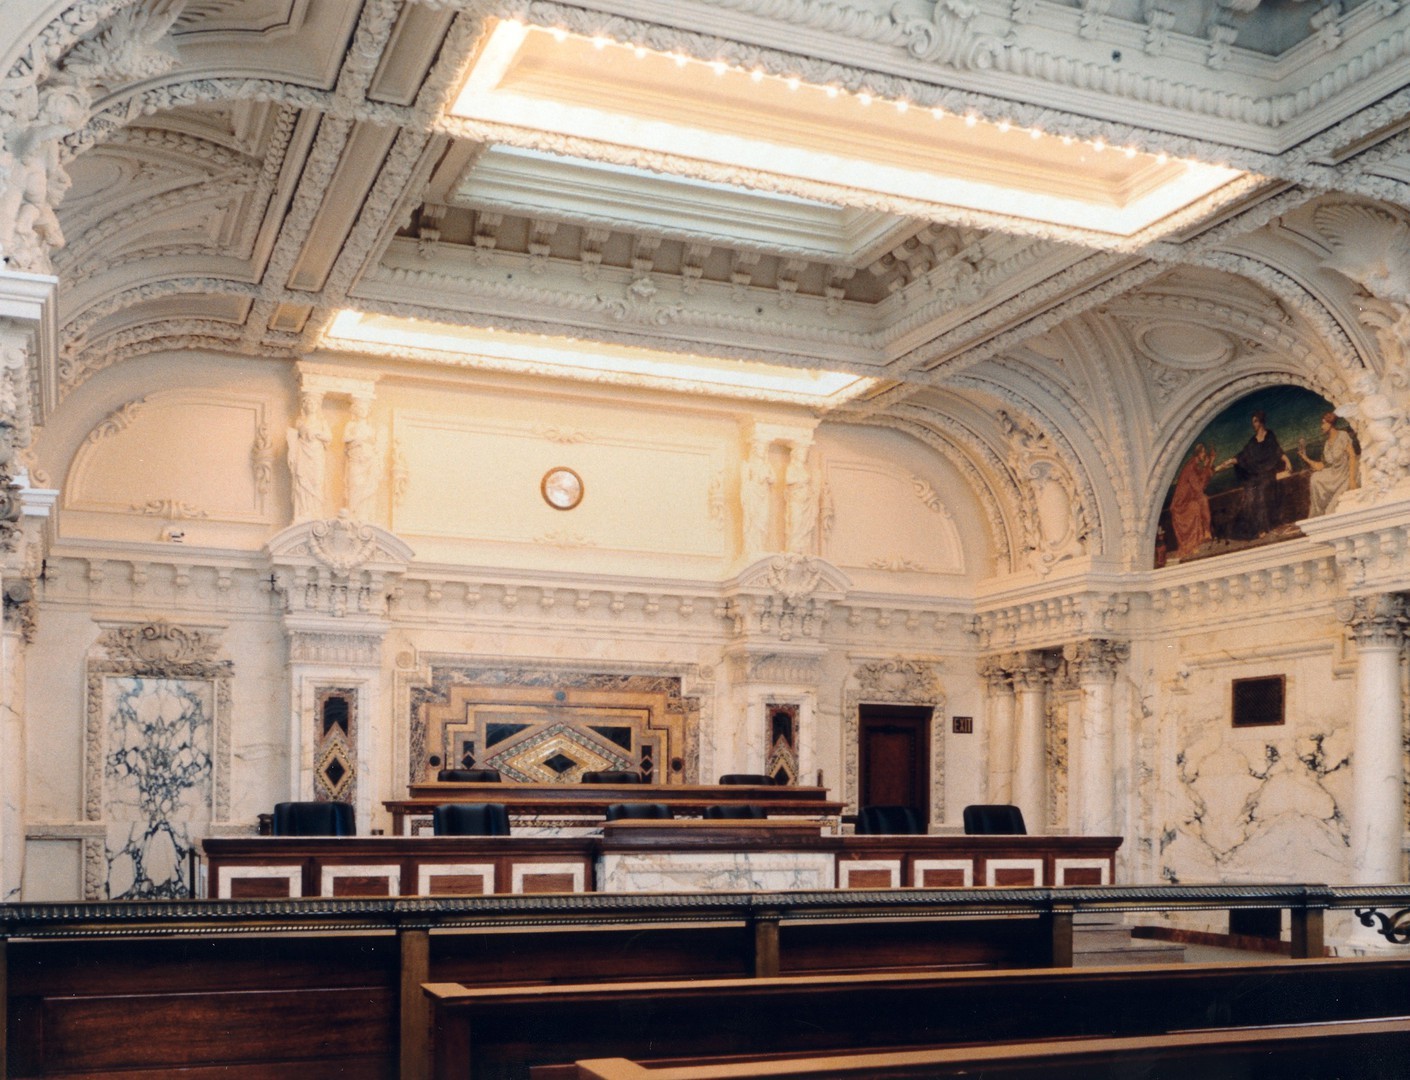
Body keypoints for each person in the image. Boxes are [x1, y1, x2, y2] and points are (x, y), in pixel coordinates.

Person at [1215, 411, 1291, 539]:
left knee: (1261, 492)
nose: (1253, 424)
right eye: (1253, 422)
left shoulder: (1269, 436)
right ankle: (1257, 528)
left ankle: (1264, 527)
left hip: (1268, 473)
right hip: (1256, 475)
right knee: (1250, 494)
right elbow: (1241, 456)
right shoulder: (1253, 442)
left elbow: (1277, 451)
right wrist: (1224, 464)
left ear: (1261, 421)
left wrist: (1287, 461)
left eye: (1255, 421)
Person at [1298, 412, 1358, 516]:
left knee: (1331, 510)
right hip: (1335, 474)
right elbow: (1321, 466)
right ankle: (1318, 511)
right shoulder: (1327, 444)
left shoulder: (1342, 435)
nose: (1321, 427)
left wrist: (1352, 479)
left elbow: (1352, 456)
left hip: (1346, 475)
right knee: (1315, 477)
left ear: (1330, 423)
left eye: (1323, 423)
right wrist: (1305, 458)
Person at [1168, 443, 1214, 558]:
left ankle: (1206, 532)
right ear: (1198, 454)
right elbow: (1199, 487)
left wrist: (1210, 463)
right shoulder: (1190, 467)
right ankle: (1193, 542)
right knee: (1197, 504)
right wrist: (1209, 464)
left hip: (1188, 500)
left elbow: (1202, 480)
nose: (1204, 454)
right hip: (1180, 506)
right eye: (1203, 452)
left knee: (1203, 499)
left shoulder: (1196, 466)